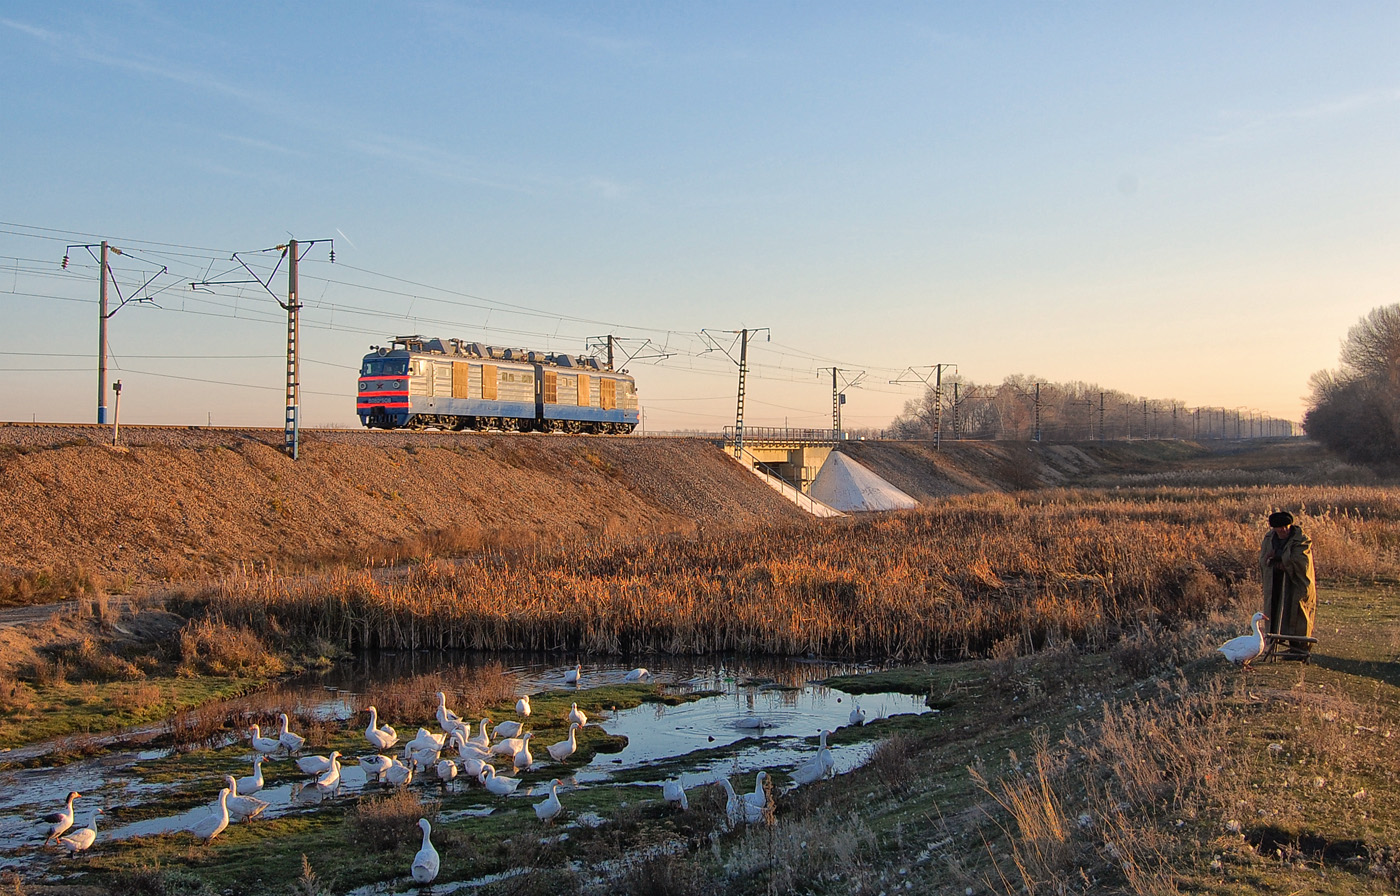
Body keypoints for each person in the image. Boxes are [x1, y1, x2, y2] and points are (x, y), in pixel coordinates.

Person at [1260, 511, 1317, 658]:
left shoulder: (1301, 540)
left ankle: (1299, 650)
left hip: (1296, 583)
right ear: (1274, 529)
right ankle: (1274, 645)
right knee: (1276, 612)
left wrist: (1281, 559)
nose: (1283, 530)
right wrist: (1271, 561)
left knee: (1297, 613)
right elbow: (1264, 559)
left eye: (1286, 526)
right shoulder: (1269, 539)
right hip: (1276, 583)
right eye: (1279, 528)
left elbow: (1301, 561)